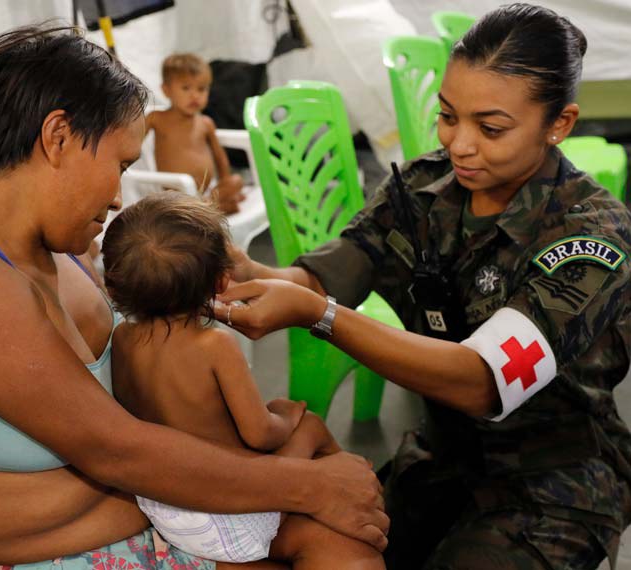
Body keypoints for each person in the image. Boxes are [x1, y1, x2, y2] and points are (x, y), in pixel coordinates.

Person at [0, 25, 387, 570]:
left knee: (342, 539)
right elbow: (114, 448)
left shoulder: (51, 245)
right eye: (120, 165)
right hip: (61, 555)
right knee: (344, 544)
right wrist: (307, 484)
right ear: (58, 137)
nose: (119, 196)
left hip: (152, 519)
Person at [216, 4, 631, 569]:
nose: (460, 145)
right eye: (447, 116)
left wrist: (319, 314)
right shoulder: (423, 188)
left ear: (559, 123)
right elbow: (330, 272)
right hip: (443, 458)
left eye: (491, 129)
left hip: (551, 487)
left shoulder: (588, 237)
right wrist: (249, 272)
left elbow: (484, 380)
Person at [102, 191, 383, 568]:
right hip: (235, 511)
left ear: (114, 287)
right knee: (310, 426)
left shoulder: (120, 339)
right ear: (222, 280)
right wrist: (287, 417)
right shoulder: (213, 345)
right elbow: (260, 434)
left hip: (169, 513)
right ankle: (355, 503)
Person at [147, 53, 245, 214]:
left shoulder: (206, 123)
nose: (195, 95)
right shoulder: (157, 118)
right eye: (186, 88)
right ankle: (215, 206)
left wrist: (225, 180)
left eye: (201, 89)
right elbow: (132, 138)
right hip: (175, 194)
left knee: (236, 181)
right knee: (189, 204)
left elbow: (219, 156)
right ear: (166, 90)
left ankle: (208, 205)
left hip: (206, 192)